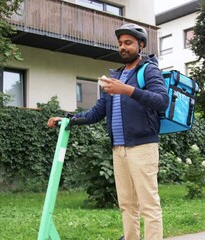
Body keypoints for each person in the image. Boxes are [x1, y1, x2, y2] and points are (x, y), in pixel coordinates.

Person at [47, 23, 168, 240]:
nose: (123, 47)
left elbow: (161, 101)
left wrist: (127, 90)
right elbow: (96, 112)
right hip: (119, 148)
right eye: (120, 43)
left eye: (128, 43)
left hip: (142, 146)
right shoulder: (116, 76)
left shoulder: (148, 70)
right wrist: (68, 119)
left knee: (149, 204)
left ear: (140, 45)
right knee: (127, 204)